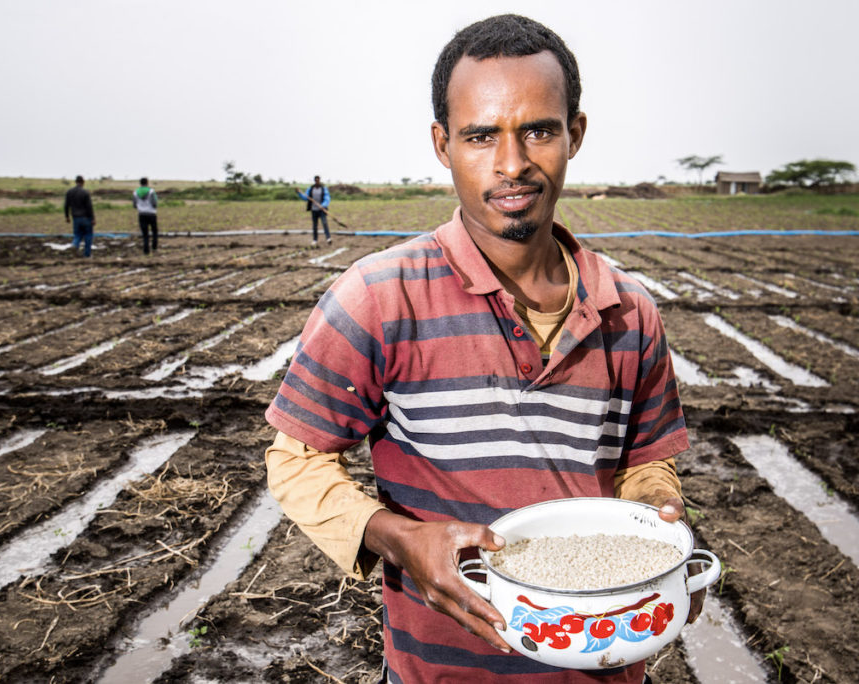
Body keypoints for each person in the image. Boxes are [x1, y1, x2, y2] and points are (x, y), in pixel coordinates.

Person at [264, 14, 701, 683]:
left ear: (574, 133)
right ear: (443, 144)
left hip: (601, 662)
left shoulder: (630, 313)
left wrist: (658, 528)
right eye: (480, 135)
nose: (512, 163)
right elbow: (297, 462)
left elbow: (646, 463)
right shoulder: (379, 299)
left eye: (539, 130)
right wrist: (402, 539)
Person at [64, 175, 95, 257]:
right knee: (88, 235)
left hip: (75, 218)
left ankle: (74, 244)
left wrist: (67, 216)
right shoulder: (85, 193)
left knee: (77, 234)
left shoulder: (69, 192)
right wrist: (92, 218)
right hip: (86, 218)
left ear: (76, 182)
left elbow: (66, 205)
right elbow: (89, 207)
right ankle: (87, 254)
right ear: (83, 182)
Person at [296, 175, 331, 246]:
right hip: (314, 210)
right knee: (315, 225)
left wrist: (323, 205)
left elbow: (327, 198)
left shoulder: (323, 189)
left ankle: (328, 238)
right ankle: (315, 240)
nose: (317, 181)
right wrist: (299, 193)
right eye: (316, 180)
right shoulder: (311, 189)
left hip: (322, 210)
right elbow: (305, 197)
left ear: (319, 180)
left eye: (318, 180)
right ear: (315, 181)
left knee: (324, 223)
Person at [132, 177, 159, 255]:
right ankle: (154, 247)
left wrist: (141, 207)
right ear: (147, 183)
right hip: (151, 213)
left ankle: (146, 250)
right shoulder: (151, 191)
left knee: (145, 233)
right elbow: (154, 203)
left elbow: (134, 204)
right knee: (154, 231)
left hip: (142, 214)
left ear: (140, 183)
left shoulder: (135, 192)